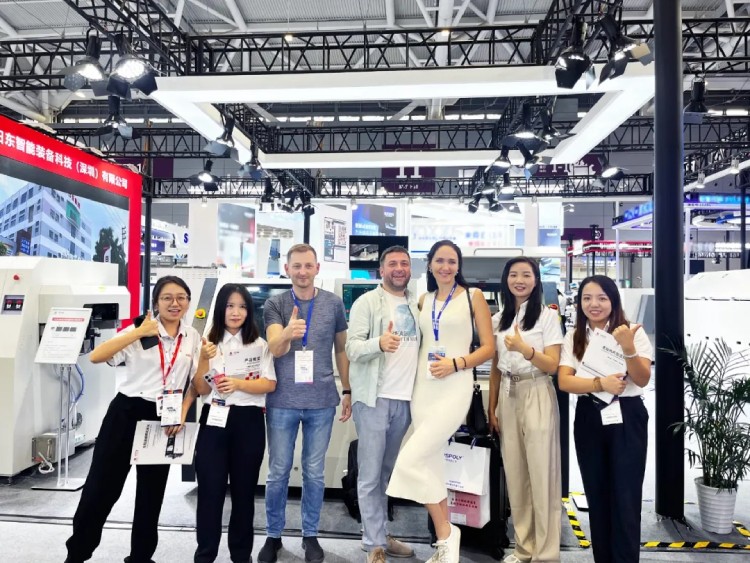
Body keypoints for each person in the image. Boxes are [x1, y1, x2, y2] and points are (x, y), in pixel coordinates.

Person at [65, 275, 201, 563]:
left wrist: (182, 413)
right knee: (101, 488)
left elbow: (194, 384)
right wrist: (138, 332)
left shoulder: (192, 337)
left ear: (188, 302)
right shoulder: (139, 329)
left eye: (181, 297)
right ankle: (77, 554)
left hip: (165, 418)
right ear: (156, 302)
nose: (175, 303)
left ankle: (141, 557)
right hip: (126, 413)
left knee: (151, 494)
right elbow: (96, 357)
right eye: (167, 297)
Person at [387, 240, 495, 563]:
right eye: (439, 261)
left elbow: (489, 348)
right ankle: (445, 542)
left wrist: (456, 363)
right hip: (424, 389)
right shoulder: (424, 300)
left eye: (451, 261)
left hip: (454, 386)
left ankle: (448, 532)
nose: (446, 267)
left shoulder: (473, 297)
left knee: (409, 461)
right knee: (431, 463)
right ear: (430, 265)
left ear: (458, 266)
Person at [258, 243, 352, 563]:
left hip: (321, 400)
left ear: (317, 269)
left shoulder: (333, 303)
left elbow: (341, 350)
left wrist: (347, 389)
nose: (302, 272)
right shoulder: (275, 303)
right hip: (282, 400)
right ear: (287, 269)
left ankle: (310, 535)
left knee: (314, 472)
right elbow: (274, 347)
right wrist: (288, 332)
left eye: (308, 266)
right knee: (278, 471)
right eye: (296, 266)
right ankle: (273, 535)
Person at [558, 275, 652, 563]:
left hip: (627, 414)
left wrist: (628, 347)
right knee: (596, 493)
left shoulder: (632, 332)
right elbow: (564, 381)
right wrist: (600, 384)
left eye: (601, 298)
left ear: (613, 300)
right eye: (587, 298)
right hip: (589, 415)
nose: (594, 304)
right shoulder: (574, 336)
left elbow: (642, 379)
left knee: (626, 495)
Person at [191, 284, 277, 563]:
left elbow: (269, 384)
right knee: (210, 491)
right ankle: (205, 555)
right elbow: (201, 389)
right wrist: (203, 359)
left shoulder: (259, 344)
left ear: (249, 311)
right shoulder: (207, 344)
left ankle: (241, 555)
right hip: (214, 418)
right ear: (220, 309)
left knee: (243, 492)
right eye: (230, 306)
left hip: (248, 421)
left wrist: (238, 384)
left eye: (242, 306)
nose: (236, 312)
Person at [346, 246, 420, 563]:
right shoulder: (366, 303)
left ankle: (380, 533)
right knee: (370, 474)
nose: (399, 268)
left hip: (405, 400)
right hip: (374, 398)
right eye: (393, 263)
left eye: (404, 263)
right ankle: (374, 543)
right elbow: (351, 348)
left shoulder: (417, 304)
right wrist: (379, 343)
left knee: (386, 474)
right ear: (381, 270)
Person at [488, 258, 564, 563]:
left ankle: (546, 554)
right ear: (506, 280)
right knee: (516, 475)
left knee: (542, 475)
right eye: (513, 275)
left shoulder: (547, 317)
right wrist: (492, 407)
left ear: (536, 280)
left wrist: (525, 349)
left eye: (526, 275)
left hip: (537, 389)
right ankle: (524, 548)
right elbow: (495, 366)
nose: (519, 280)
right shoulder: (498, 319)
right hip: (508, 394)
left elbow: (553, 365)